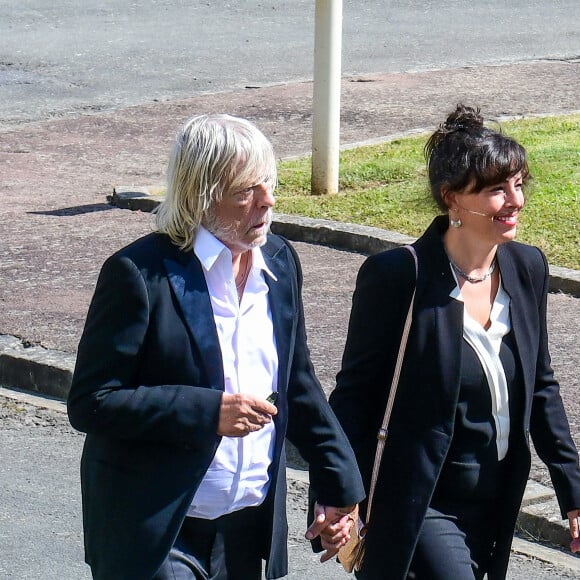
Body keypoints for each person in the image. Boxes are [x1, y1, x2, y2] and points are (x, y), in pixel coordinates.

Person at [67, 113, 365, 580]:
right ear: (201, 195)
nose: (267, 201)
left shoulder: (281, 263)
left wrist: (338, 480)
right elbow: (92, 402)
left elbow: (297, 384)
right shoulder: (139, 275)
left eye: (268, 181)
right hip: (159, 533)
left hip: (246, 532)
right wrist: (207, 412)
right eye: (247, 190)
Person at [329, 104, 580, 579]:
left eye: (518, 185)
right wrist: (335, 493)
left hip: (497, 495)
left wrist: (572, 489)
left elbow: (542, 386)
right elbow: (354, 397)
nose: (515, 201)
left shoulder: (526, 268)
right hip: (421, 501)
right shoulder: (398, 278)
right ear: (451, 199)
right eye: (495, 191)